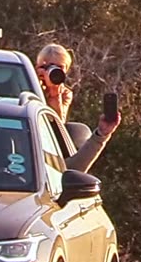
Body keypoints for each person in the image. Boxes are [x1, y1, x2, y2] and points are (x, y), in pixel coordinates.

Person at [35, 43, 120, 173]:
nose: (53, 71)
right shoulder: (29, 84)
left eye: (59, 68)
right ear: (38, 67)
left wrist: (54, 94)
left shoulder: (64, 93)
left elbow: (57, 125)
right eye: (49, 67)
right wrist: (36, 82)